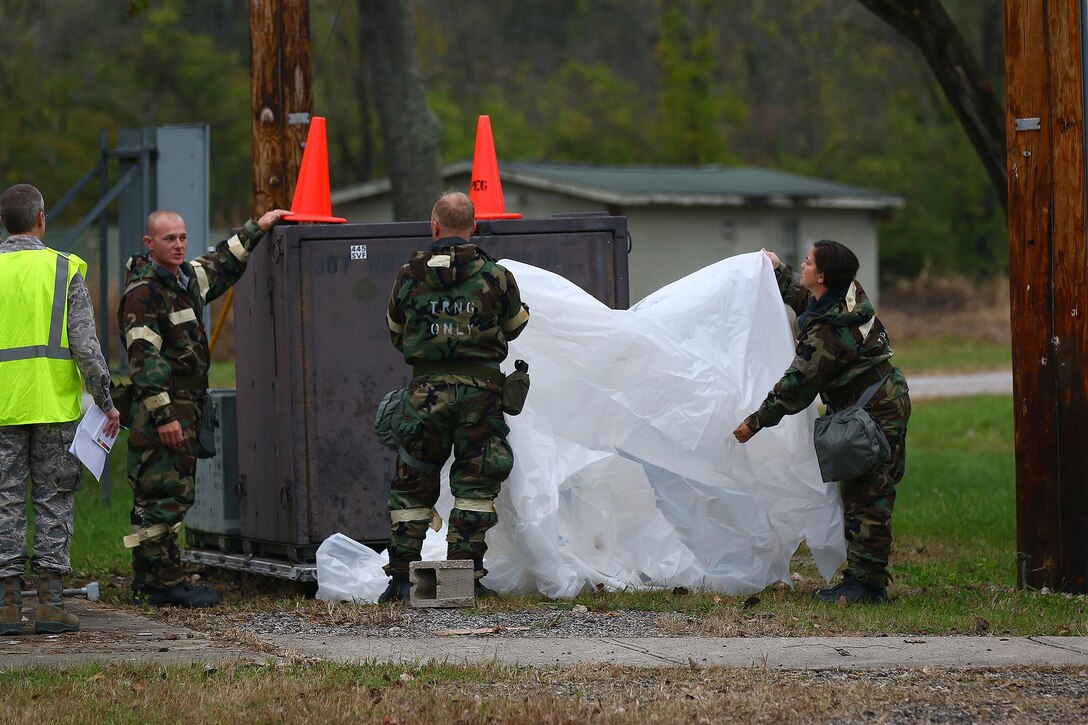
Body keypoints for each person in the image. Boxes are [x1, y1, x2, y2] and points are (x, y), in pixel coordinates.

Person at [118, 207, 288, 607]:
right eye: (168, 239)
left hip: (186, 406)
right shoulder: (144, 292)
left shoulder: (182, 280)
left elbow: (222, 262)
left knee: (164, 493)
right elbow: (143, 359)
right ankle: (164, 582)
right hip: (166, 410)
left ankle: (148, 577)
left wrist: (258, 227)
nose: (178, 245)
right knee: (166, 494)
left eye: (181, 237)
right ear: (149, 244)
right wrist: (164, 416)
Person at [733, 240, 910, 604]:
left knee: (868, 494)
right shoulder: (840, 301)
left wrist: (754, 422)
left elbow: (798, 386)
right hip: (877, 399)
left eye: (808, 262)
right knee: (865, 490)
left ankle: (866, 586)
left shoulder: (830, 331)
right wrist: (778, 271)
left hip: (875, 409)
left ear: (823, 275)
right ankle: (865, 579)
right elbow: (806, 302)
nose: (803, 264)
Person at [380, 191, 530, 602]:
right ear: (474, 226)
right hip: (479, 396)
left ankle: (401, 583)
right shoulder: (496, 276)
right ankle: (462, 584)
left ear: (434, 227)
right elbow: (516, 324)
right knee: (475, 486)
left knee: (412, 483)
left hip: (424, 394)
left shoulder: (408, 275)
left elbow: (395, 332)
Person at [0, 183, 120, 635]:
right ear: (42, 219)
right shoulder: (64, 270)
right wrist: (105, 403)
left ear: (3, 223)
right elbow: (87, 349)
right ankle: (50, 604)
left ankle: (7, 606)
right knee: (53, 499)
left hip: (2, 409)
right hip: (53, 408)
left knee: (4, 500)